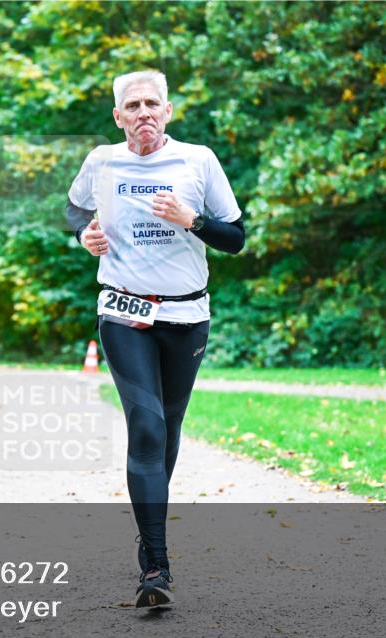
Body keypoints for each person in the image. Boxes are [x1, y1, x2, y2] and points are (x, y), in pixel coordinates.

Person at [66, 70, 245, 608]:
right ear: (118, 117)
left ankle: (149, 534)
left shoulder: (199, 160)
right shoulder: (101, 161)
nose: (143, 112)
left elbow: (236, 238)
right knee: (145, 430)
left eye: (152, 104)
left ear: (168, 112)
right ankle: (156, 569)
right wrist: (84, 234)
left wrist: (193, 221)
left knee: (166, 432)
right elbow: (75, 207)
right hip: (121, 310)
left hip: (187, 315)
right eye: (132, 105)